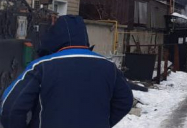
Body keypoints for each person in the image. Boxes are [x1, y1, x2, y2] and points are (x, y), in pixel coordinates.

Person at [1, 15, 133, 128]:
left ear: (54, 36)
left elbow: (11, 107)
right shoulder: (109, 67)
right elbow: (125, 101)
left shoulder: (42, 66)